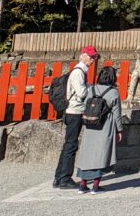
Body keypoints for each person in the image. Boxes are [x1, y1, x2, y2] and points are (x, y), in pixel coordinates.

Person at [53, 45, 99, 189]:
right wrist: (92, 89)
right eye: (91, 57)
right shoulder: (79, 72)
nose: (92, 60)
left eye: (94, 57)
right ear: (83, 56)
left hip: (72, 111)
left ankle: (59, 177)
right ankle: (65, 178)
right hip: (75, 111)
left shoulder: (79, 71)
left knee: (68, 144)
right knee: (71, 145)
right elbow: (82, 93)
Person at [75, 65, 123, 194]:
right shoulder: (113, 92)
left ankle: (82, 185)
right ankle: (95, 186)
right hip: (105, 125)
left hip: (90, 125)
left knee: (87, 154)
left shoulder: (91, 89)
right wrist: (120, 130)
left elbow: (85, 105)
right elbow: (117, 113)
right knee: (101, 154)